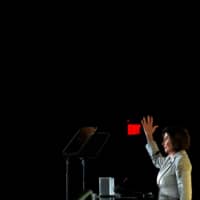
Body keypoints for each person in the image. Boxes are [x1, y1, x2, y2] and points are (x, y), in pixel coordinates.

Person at [141, 115, 192, 200]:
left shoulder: (181, 160)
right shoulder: (170, 158)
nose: (162, 143)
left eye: (166, 139)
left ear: (175, 139)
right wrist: (149, 136)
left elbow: (185, 196)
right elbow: (157, 159)